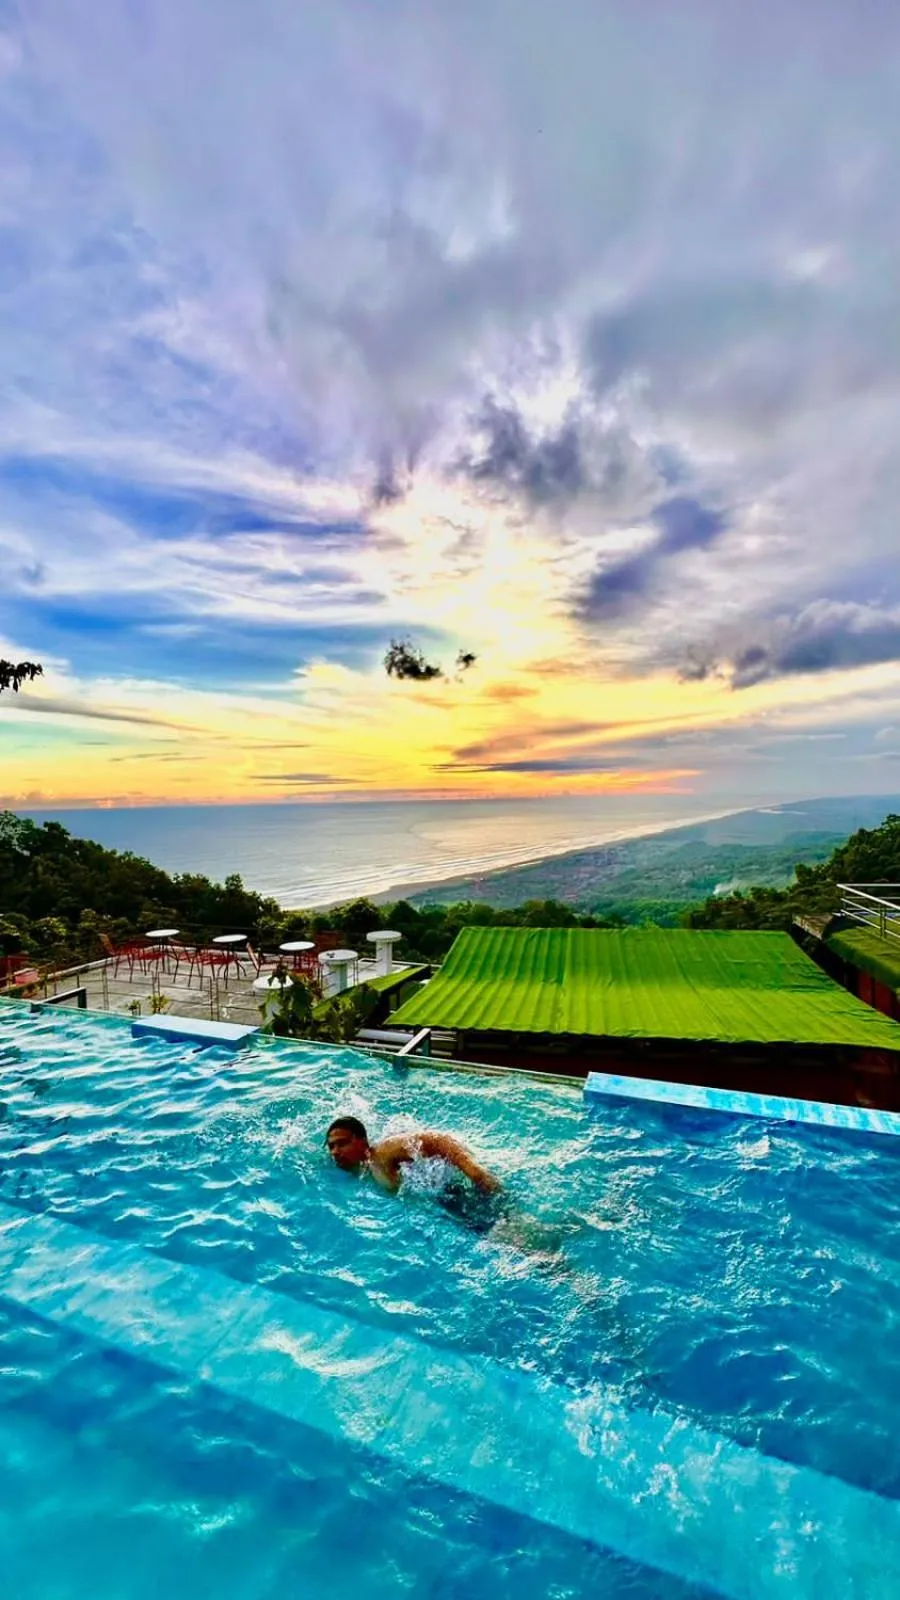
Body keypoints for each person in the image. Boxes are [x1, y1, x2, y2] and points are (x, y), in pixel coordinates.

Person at [325, 1114, 507, 1233]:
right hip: (442, 1208)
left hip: (454, 1198)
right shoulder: (360, 1171)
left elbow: (437, 1140)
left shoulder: (382, 1153)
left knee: (505, 1234)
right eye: (331, 1146)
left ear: (362, 1141)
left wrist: (475, 1172)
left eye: (342, 1143)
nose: (335, 1152)